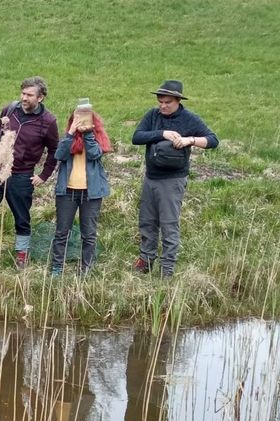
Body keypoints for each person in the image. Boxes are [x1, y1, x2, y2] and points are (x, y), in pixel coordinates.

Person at [0, 76, 59, 268]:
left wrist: (44, 175)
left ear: (40, 98)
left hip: (23, 175)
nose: (24, 98)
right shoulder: (10, 110)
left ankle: (21, 254)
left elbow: (54, 151)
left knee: (21, 216)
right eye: (23, 93)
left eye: (29, 95)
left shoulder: (48, 121)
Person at [131, 80, 218, 277]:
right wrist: (163, 134)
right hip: (150, 178)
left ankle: (167, 269)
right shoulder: (153, 115)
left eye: (167, 102)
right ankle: (145, 261)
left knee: (169, 224)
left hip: (173, 181)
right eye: (160, 101)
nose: (163, 105)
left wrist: (191, 140)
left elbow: (213, 140)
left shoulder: (189, 119)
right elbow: (136, 137)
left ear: (178, 100)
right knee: (147, 222)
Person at [49, 98, 112, 276]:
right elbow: (59, 155)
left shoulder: (96, 138)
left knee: (89, 234)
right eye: (77, 117)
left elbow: (94, 155)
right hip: (67, 192)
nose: (81, 120)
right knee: (62, 232)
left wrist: (88, 134)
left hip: (91, 193)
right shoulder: (68, 139)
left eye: (85, 117)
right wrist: (70, 133)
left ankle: (86, 269)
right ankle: (57, 268)